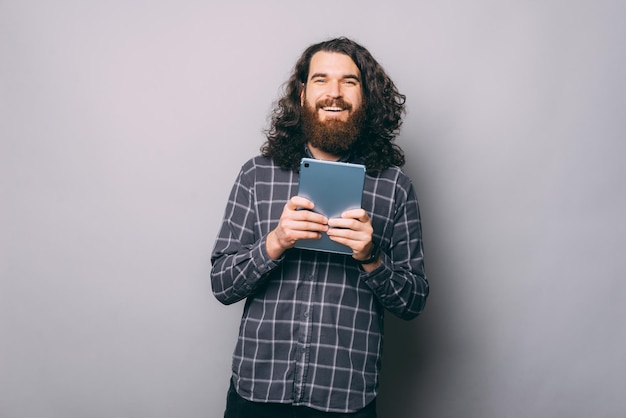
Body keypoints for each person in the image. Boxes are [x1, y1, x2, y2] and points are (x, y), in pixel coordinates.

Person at [210, 37, 429, 418]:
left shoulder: (394, 186)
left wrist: (372, 258)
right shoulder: (257, 175)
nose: (334, 93)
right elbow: (222, 285)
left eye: (349, 81)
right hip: (258, 392)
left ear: (366, 97)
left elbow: (413, 302)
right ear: (301, 93)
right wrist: (275, 242)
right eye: (321, 80)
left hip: (345, 398)